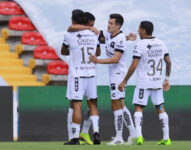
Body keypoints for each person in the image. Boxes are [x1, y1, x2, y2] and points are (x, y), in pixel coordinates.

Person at [118, 21, 172, 145]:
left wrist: (124, 80)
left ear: (143, 30)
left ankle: (139, 136)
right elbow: (169, 62)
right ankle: (166, 138)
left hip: (144, 84)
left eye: (139, 28)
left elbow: (134, 65)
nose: (138, 30)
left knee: (139, 108)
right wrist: (167, 79)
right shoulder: (161, 43)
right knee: (160, 108)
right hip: (157, 83)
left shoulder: (140, 45)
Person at [90, 14, 137, 145]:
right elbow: (96, 31)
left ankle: (119, 138)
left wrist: (97, 60)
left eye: (111, 23)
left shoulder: (120, 39)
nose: (108, 25)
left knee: (116, 105)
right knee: (121, 105)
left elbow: (115, 59)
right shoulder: (110, 34)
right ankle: (133, 133)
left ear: (118, 26)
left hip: (118, 75)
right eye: (108, 22)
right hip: (113, 75)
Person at [61, 9, 100, 145]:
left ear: (74, 21)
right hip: (91, 74)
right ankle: (96, 132)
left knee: (76, 105)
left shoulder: (69, 35)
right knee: (93, 104)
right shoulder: (94, 34)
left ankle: (75, 138)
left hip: (77, 75)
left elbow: (63, 51)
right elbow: (98, 52)